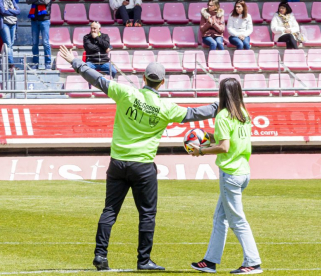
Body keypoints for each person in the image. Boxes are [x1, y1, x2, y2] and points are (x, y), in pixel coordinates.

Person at [59, 45, 219, 271]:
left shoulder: (127, 93)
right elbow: (194, 113)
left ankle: (100, 255)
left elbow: (98, 80)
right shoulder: (166, 107)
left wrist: (75, 62)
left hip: (117, 163)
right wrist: (221, 105)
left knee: (109, 211)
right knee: (147, 214)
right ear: (162, 82)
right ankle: (144, 260)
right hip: (143, 166)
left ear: (143, 78)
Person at [190, 78, 263, 275]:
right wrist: (207, 138)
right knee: (220, 217)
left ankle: (253, 262)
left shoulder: (222, 116)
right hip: (243, 171)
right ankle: (210, 261)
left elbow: (224, 147)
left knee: (237, 220)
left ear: (222, 93)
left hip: (230, 174)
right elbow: (228, 141)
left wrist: (201, 151)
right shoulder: (244, 114)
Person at [27, 0, 52, 69]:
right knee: (35, 43)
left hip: (45, 20)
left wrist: (34, 1)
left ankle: (48, 63)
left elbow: (45, 1)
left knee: (45, 42)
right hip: (34, 20)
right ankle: (35, 63)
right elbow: (28, 1)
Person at [0, 0, 20, 69]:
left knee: (11, 44)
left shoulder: (13, 1)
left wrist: (8, 10)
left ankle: (10, 64)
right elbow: (2, 11)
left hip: (13, 23)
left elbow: (18, 11)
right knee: (8, 44)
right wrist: (13, 10)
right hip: (4, 24)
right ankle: (11, 64)